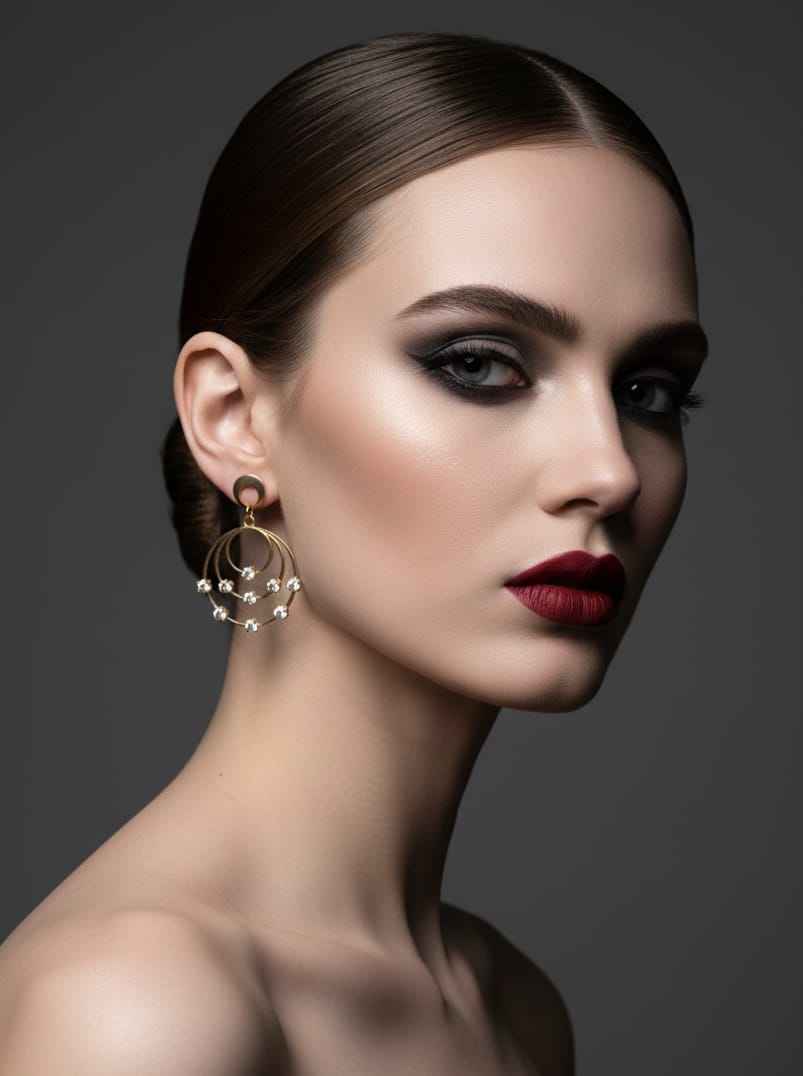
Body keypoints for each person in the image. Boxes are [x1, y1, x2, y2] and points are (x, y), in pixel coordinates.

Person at [0, 30, 708, 1075]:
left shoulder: (513, 1005)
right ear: (236, 415)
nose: (610, 471)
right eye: (479, 363)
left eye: (649, 389)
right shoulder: (138, 1011)